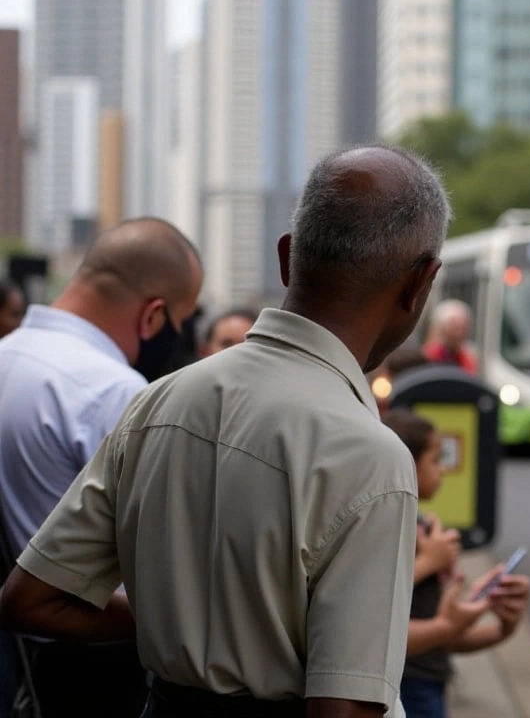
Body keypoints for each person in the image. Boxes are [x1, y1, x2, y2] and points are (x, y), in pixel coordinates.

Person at [0, 145, 476, 718]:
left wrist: (163, 622)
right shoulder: (371, 457)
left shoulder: (156, 402)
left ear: (287, 256)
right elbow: (344, 708)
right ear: (420, 284)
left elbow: (31, 599)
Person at [0, 217, 202, 718]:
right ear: (154, 317)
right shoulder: (113, 391)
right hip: (81, 669)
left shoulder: (8, 354)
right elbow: (162, 565)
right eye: (182, 319)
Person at [381, 409, 530, 718]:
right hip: (406, 687)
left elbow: (443, 637)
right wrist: (428, 561)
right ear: (406, 465)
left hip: (430, 681)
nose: (443, 471)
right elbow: (374, 609)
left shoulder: (422, 527)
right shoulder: (391, 527)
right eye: (435, 460)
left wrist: (498, 624)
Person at [421, 300, 477, 374]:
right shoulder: (428, 356)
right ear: (441, 328)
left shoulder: (468, 359)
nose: (458, 333)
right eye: (454, 326)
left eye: (463, 327)